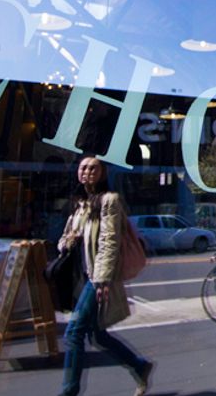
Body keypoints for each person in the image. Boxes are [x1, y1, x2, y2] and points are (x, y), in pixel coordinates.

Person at [58, 157, 153, 396]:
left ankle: (69, 392)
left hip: (96, 277)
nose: (87, 171)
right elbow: (65, 237)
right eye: (83, 167)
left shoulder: (109, 201)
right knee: (97, 336)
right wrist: (67, 242)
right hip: (82, 276)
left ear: (102, 173)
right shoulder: (80, 204)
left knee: (74, 333)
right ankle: (139, 366)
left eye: (93, 168)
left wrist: (102, 279)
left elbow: (110, 241)